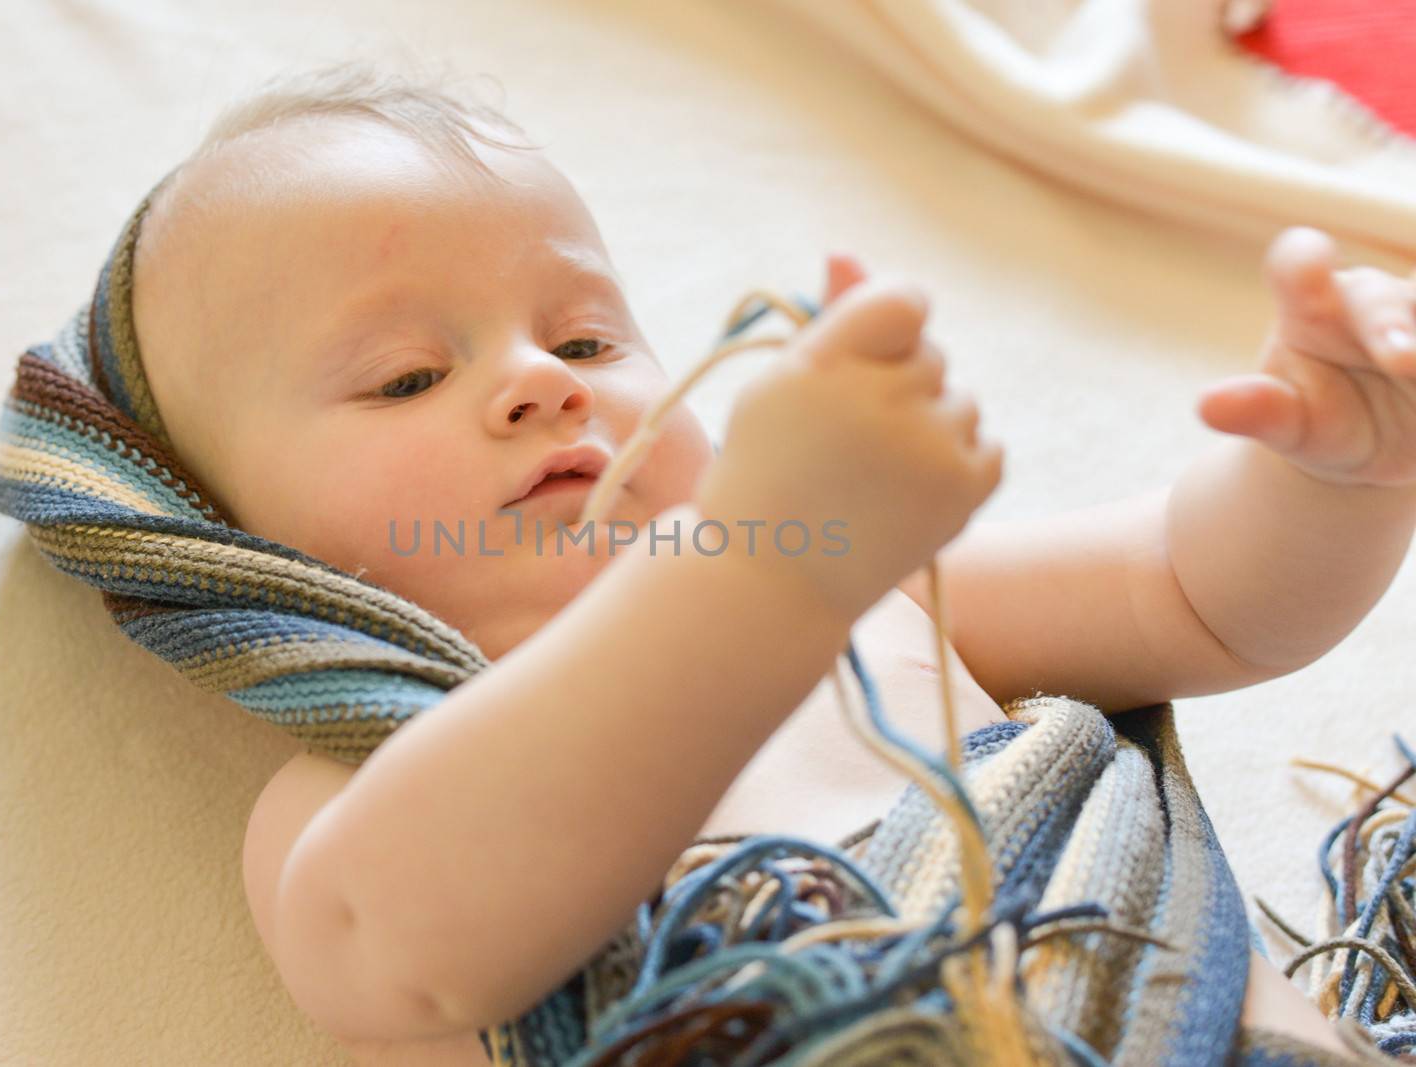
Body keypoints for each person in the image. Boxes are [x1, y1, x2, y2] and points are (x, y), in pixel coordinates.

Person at [117, 62, 1415, 1064]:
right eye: (405, 376)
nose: (533, 384)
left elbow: (1198, 596)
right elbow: (395, 948)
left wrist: (1335, 478)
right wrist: (752, 569)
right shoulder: (359, 782)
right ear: (240, 553)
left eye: (582, 342)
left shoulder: (872, 591)